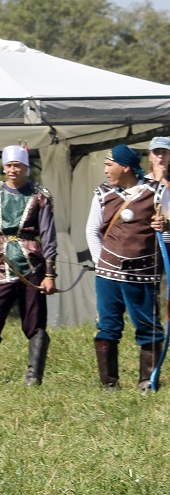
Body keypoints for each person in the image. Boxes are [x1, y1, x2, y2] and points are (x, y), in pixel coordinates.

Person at [86, 144, 169, 391]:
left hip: (144, 274)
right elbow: (92, 231)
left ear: (125, 167)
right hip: (107, 274)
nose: (105, 170)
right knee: (108, 327)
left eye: (109, 164)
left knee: (148, 327)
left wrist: (164, 226)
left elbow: (168, 235)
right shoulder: (102, 193)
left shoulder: (156, 192)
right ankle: (109, 384)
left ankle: (147, 382)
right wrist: (102, 263)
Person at [0, 146, 57, 386]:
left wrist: (50, 274)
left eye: (17, 165)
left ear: (25, 167)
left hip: (32, 265)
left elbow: (49, 236)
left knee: (35, 322)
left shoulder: (40, 196)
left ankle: (34, 378)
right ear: (3, 167)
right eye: (9, 165)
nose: (13, 170)